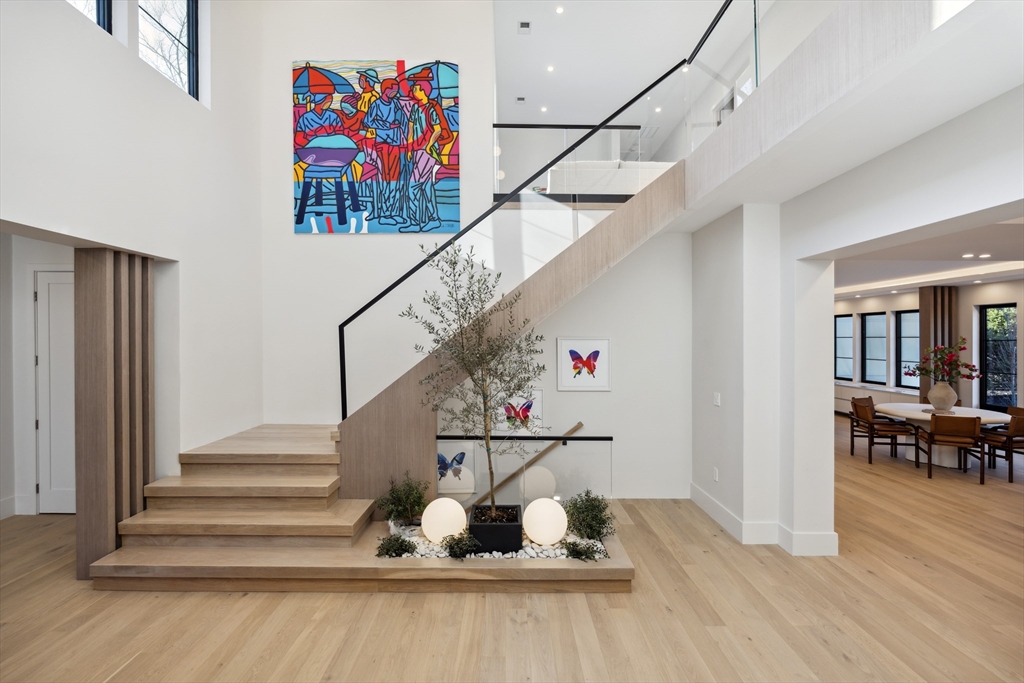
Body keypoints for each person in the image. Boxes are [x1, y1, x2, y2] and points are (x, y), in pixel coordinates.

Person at [401, 69, 453, 231]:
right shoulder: (416, 108)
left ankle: (415, 223)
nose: (412, 90)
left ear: (423, 90)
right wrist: (409, 147)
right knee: (426, 186)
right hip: (417, 151)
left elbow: (437, 130)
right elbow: (410, 129)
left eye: (415, 88)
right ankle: (433, 218)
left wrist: (430, 144)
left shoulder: (431, 108)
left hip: (427, 151)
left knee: (413, 186)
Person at [363, 78, 407, 225]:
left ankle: (393, 212)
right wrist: (387, 125)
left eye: (396, 90)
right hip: (382, 144)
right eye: (393, 90)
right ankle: (384, 214)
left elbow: (403, 120)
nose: (395, 93)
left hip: (396, 145)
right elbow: (367, 121)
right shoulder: (376, 104)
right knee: (385, 178)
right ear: (385, 89)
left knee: (395, 179)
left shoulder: (396, 103)